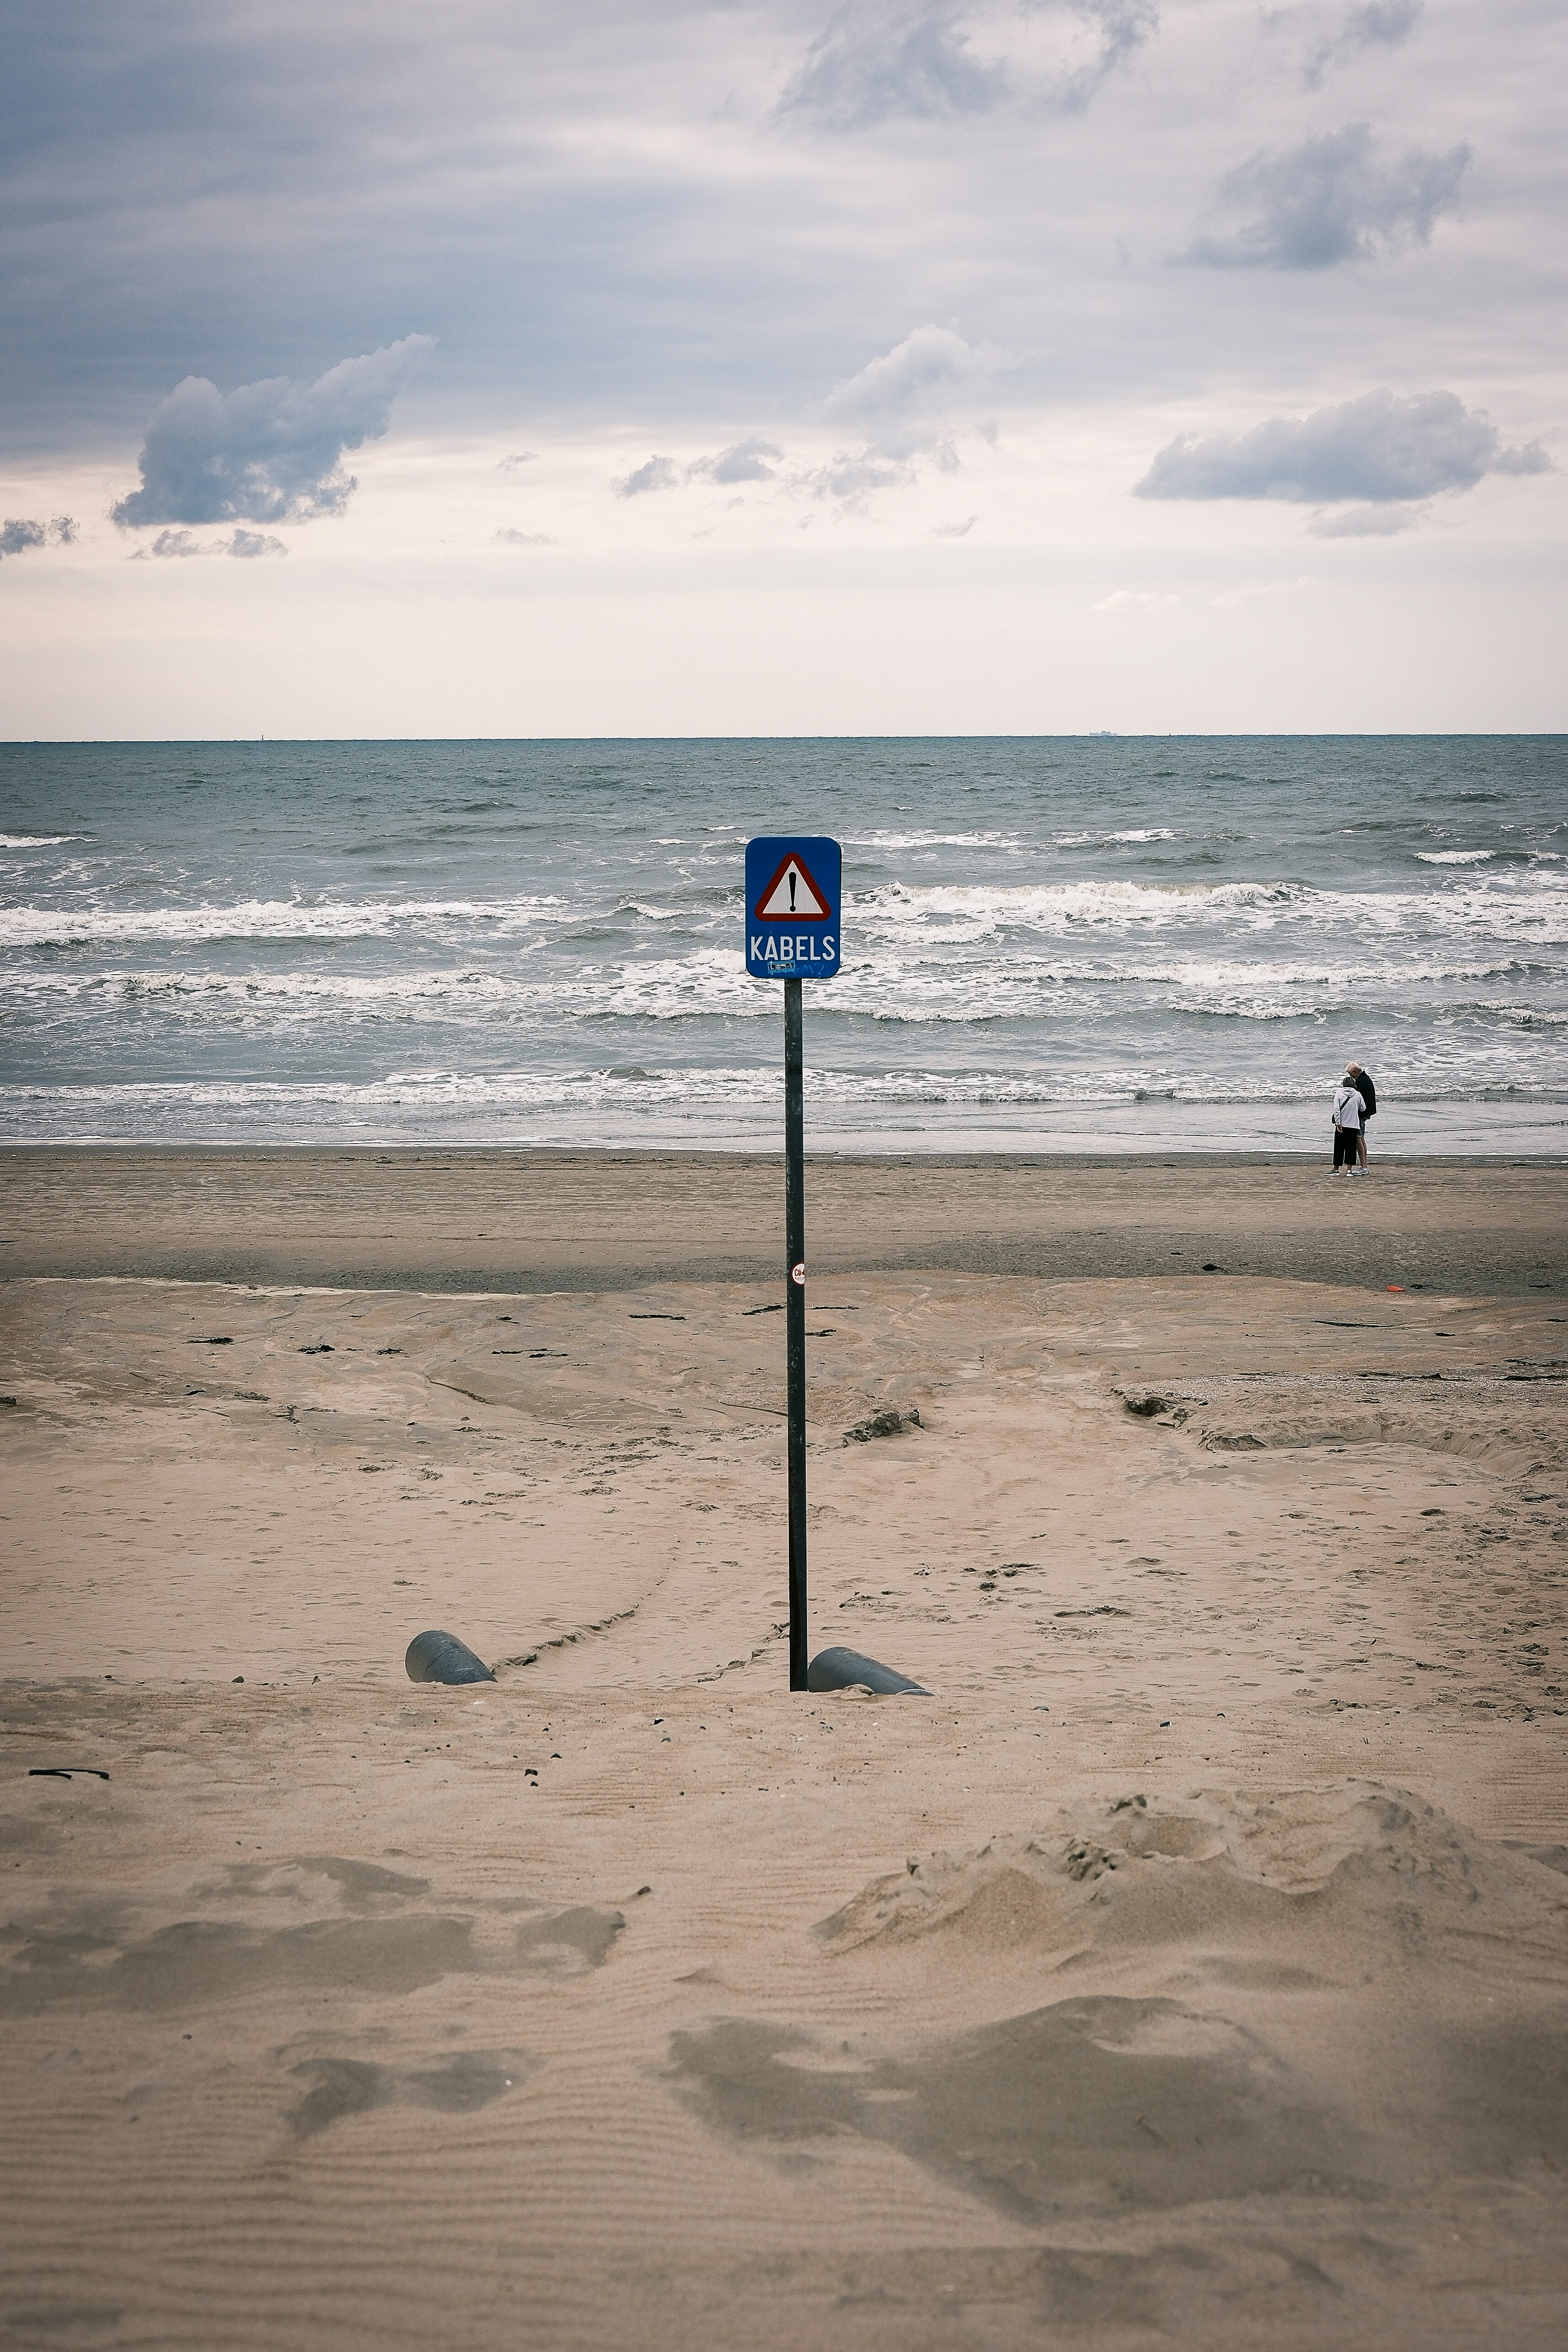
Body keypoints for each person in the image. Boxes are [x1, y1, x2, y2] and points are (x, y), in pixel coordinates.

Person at [1331, 1073, 1362, 1172]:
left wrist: (1338, 1123)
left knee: (1339, 1147)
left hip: (1342, 1125)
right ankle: (1349, 1170)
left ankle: (1336, 1169)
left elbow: (1336, 1110)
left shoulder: (1339, 1093)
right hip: (1354, 1124)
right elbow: (1363, 1108)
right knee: (1351, 1147)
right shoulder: (1358, 1094)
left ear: (1343, 1084)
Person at [1347, 1062, 1377, 1168]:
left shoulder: (1361, 1081)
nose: (1351, 1077)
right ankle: (1364, 1165)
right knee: (1361, 1138)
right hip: (1366, 1112)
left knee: (1358, 1139)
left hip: (1361, 1113)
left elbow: (1357, 1100)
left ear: (1356, 1072)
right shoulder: (1366, 1079)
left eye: (1351, 1074)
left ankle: (1364, 1167)